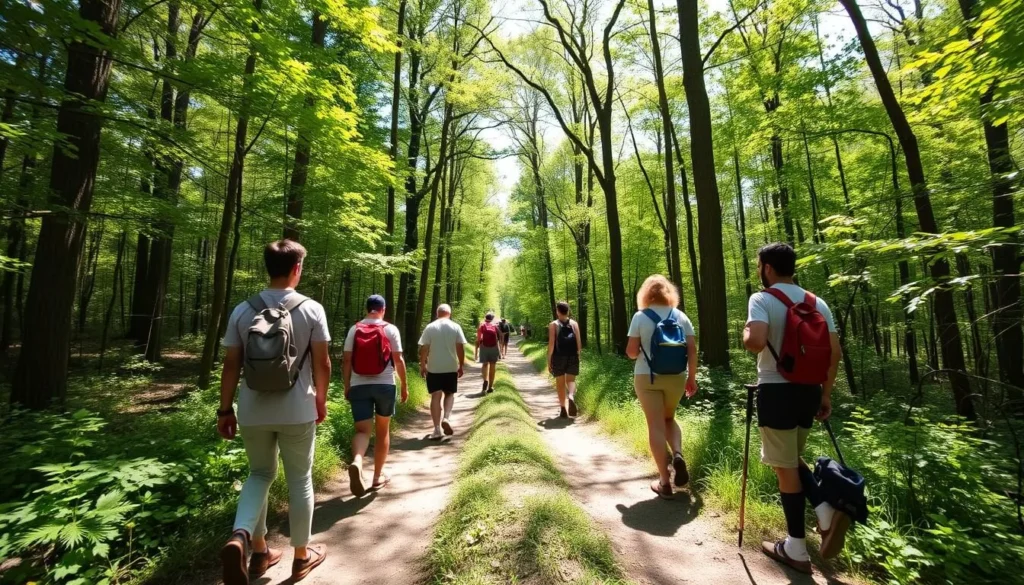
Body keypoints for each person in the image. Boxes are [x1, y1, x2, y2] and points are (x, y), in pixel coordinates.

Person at [217, 239, 330, 584]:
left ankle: (251, 544)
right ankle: (300, 557)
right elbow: (323, 362)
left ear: (268, 267)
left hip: (252, 409)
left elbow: (231, 364)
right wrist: (320, 399)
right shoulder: (312, 309)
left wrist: (225, 410)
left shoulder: (242, 310)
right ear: (297, 268)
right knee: (299, 479)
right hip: (297, 408)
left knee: (259, 474)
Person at [743, 243, 847, 574]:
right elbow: (834, 353)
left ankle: (798, 547)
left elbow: (756, 341)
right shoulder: (817, 302)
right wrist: (825, 395)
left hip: (776, 390)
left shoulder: (762, 299)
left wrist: (746, 332)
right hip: (809, 392)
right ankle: (822, 511)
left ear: (768, 268)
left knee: (784, 468)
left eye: (760, 265)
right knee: (790, 459)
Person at [625, 275, 697, 500]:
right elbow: (692, 350)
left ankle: (665, 483)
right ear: (670, 293)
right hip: (676, 376)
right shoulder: (681, 316)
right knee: (669, 418)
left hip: (647, 377)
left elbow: (631, 352)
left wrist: (642, 351)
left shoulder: (640, 316)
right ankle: (677, 453)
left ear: (645, 294)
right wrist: (692, 378)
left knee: (655, 424)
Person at [343, 294, 408, 497]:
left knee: (362, 431)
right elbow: (398, 360)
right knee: (382, 431)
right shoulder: (390, 329)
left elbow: (346, 361)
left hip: (359, 385)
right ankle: (377, 477)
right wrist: (404, 385)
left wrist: (347, 385)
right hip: (384, 386)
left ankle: (358, 461)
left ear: (366, 308)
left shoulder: (355, 329)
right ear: (383, 309)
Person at [418, 304, 467, 439]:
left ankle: (437, 429)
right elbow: (460, 348)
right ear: (449, 314)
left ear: (437, 313)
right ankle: (446, 418)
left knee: (436, 396)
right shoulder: (455, 327)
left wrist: (423, 365)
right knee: (449, 394)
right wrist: (461, 365)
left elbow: (424, 348)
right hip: (450, 367)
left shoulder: (430, 327)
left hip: (434, 368)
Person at [547, 301, 582, 419]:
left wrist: (549, 360)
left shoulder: (553, 324)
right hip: (572, 356)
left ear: (557, 311)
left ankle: (563, 409)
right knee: (571, 381)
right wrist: (578, 356)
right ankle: (571, 396)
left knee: (560, 383)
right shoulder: (574, 324)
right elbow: (579, 343)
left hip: (558, 357)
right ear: (568, 311)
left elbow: (551, 345)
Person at [475, 312, 503, 393]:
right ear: (492, 319)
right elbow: (500, 335)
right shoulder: (495, 325)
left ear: (485, 318)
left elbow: (479, 338)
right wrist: (500, 347)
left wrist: (479, 345)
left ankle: (485, 380)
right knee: (492, 365)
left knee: (485, 364)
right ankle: (490, 387)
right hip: (493, 346)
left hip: (484, 346)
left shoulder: (482, 325)